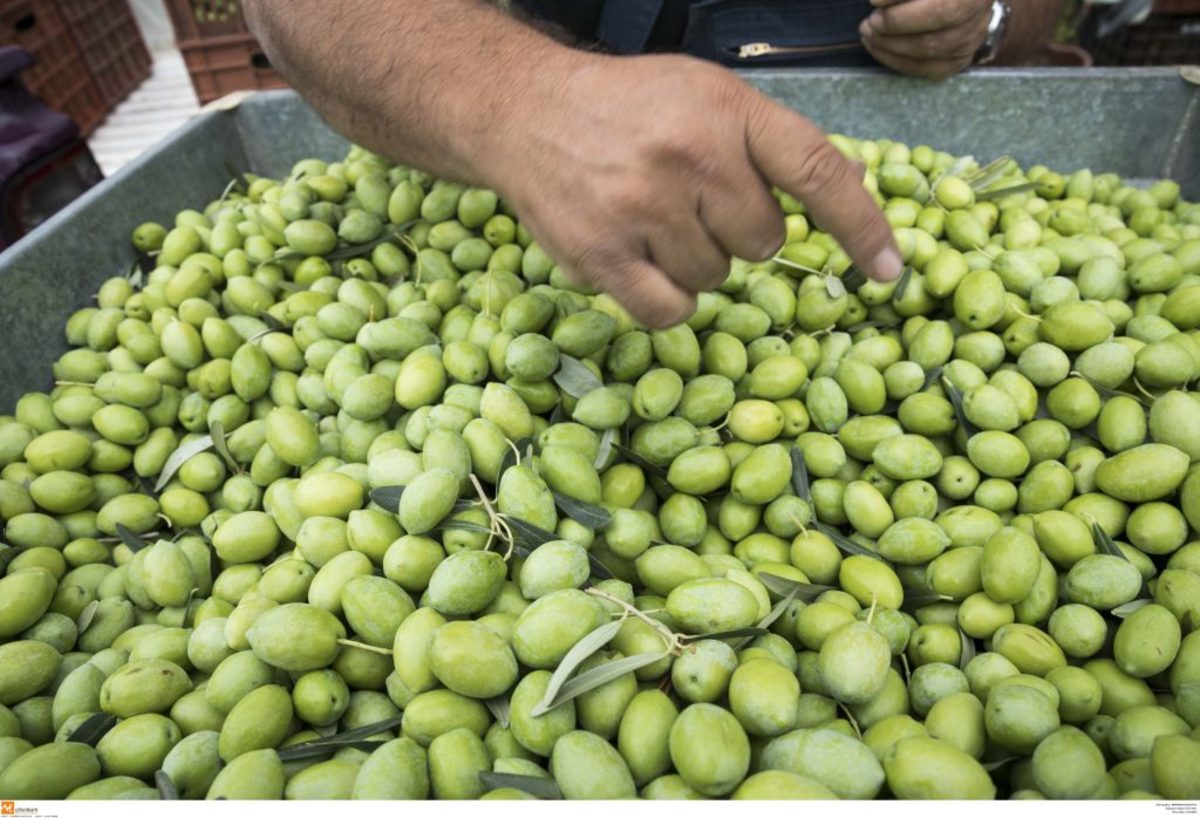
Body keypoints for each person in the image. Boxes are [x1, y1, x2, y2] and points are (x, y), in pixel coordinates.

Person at [243, 0, 1061, 328]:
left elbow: (1044, 11)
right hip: (487, 147)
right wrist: (521, 98)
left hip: (853, 139)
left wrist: (991, 17)